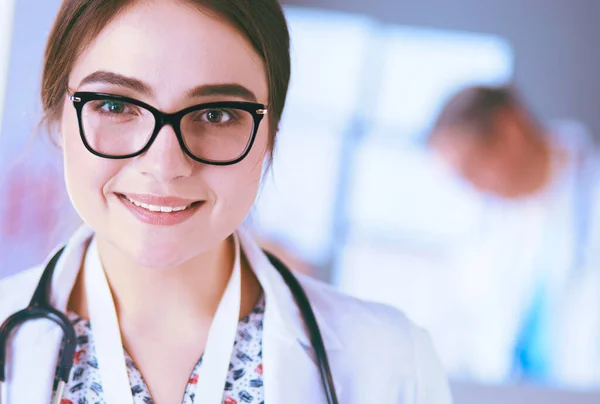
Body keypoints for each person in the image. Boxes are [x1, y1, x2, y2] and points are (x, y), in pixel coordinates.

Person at [0, 1, 452, 403]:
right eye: (117, 105)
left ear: (270, 135)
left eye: (216, 114)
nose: (164, 164)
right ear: (58, 114)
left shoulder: (392, 363)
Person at [426, 85, 599, 384]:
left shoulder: (590, 193)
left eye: (474, 169)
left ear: (510, 130)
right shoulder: (489, 231)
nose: (476, 189)